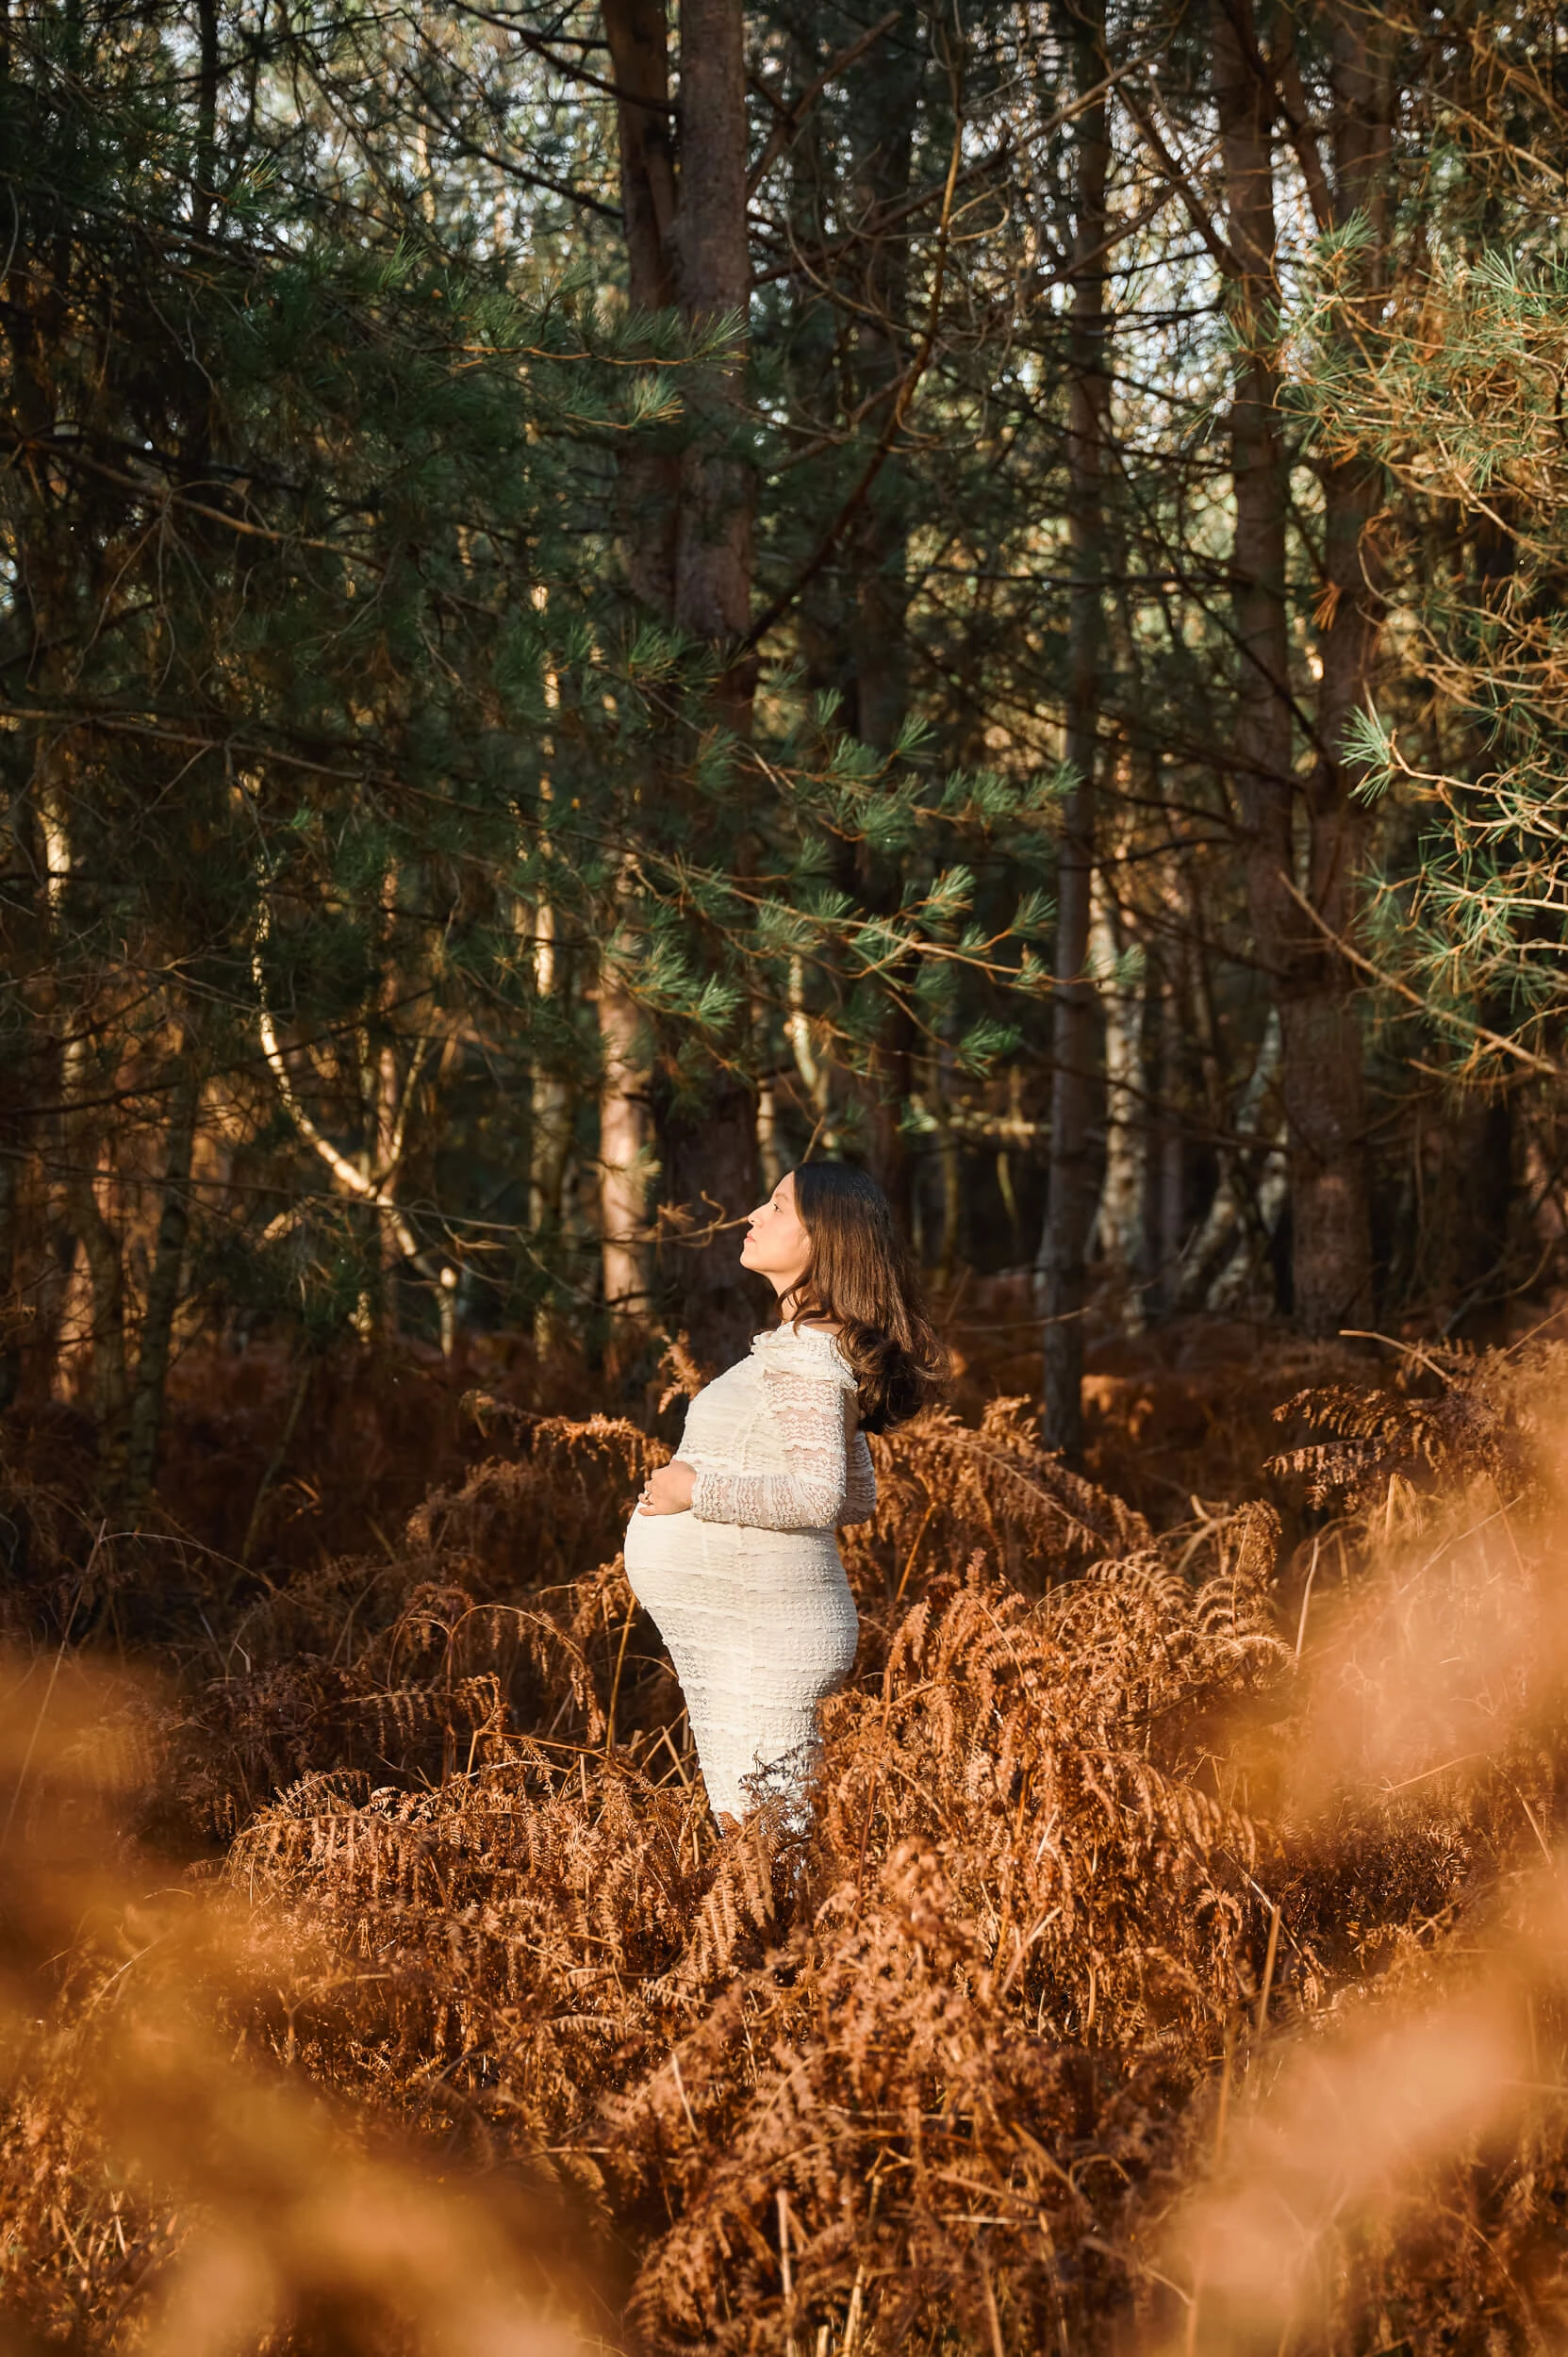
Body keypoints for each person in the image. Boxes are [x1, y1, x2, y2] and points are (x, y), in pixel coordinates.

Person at [624, 1162, 946, 1823]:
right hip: (749, 1631)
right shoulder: (811, 1349)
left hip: (760, 1636)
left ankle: (800, 1933)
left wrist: (695, 1489)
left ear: (824, 1238)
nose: (751, 1216)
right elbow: (857, 1496)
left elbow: (819, 1497)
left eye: (776, 1207)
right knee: (761, 1837)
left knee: (770, 1845)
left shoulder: (807, 1355)